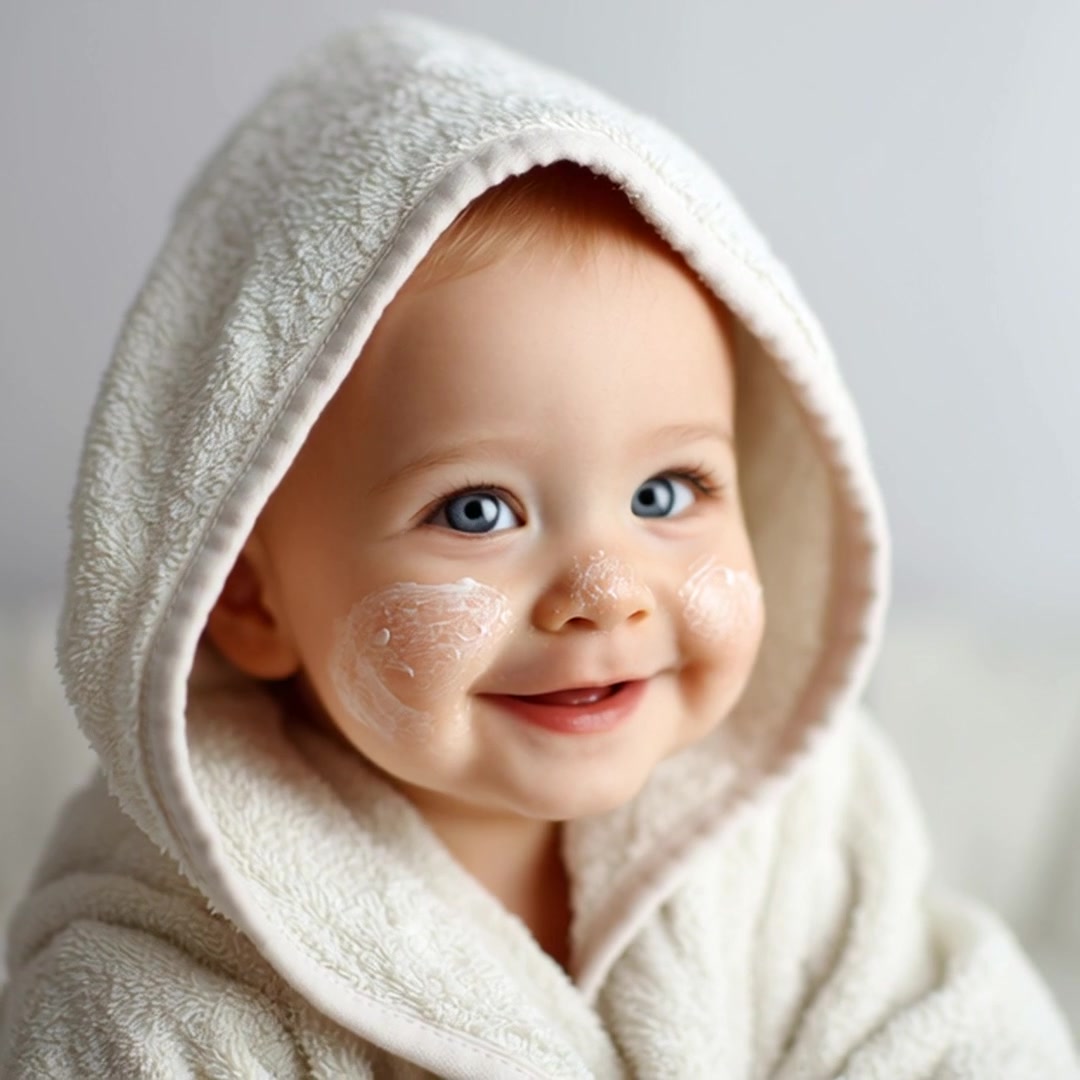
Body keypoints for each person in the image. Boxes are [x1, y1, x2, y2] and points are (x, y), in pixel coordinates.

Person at [1, 14, 1075, 1078]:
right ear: (245, 593)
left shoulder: (795, 830)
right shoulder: (147, 994)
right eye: (478, 511)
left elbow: (958, 1034)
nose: (606, 593)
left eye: (665, 492)